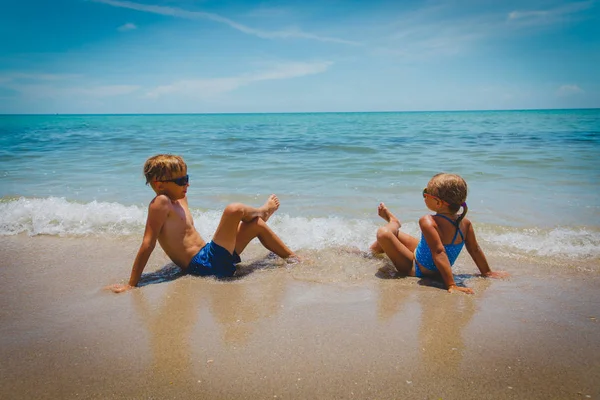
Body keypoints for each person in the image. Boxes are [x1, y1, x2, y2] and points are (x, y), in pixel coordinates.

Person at [109, 154, 299, 293]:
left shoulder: (178, 200)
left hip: (211, 257)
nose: (187, 185)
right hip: (203, 265)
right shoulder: (161, 203)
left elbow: (176, 177)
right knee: (233, 210)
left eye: (187, 178)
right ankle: (263, 211)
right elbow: (148, 243)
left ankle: (293, 257)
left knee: (255, 225)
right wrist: (132, 283)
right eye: (181, 180)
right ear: (159, 185)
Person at [370, 173, 508, 294]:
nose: (424, 196)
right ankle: (371, 252)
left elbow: (439, 252)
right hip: (422, 255)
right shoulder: (465, 223)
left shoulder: (428, 221)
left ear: (438, 202)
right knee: (394, 236)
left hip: (417, 269)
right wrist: (487, 272)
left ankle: (393, 222)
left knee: (384, 233)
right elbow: (475, 249)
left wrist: (451, 284)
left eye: (426, 193)